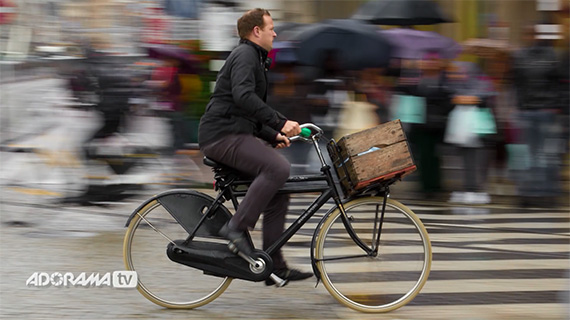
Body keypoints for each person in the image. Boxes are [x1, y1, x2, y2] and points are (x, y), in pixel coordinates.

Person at [197, 8, 312, 285]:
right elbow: (244, 96)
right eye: (271, 27)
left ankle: (274, 266)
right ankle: (235, 228)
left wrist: (274, 135)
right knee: (277, 167)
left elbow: (245, 110)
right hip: (222, 135)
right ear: (256, 31)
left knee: (279, 192)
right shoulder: (246, 55)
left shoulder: (256, 58)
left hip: (233, 131)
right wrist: (280, 122)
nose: (275, 32)